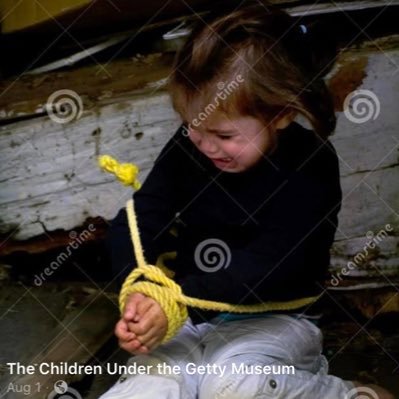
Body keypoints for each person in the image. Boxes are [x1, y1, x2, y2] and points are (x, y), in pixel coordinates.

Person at [100, 2, 394, 398]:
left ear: (282, 115)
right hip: (188, 313)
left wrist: (178, 300)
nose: (204, 144)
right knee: (148, 386)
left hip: (273, 317)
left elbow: (272, 264)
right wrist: (140, 290)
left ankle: (345, 393)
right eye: (192, 126)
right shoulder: (193, 144)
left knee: (233, 384)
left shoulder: (310, 165)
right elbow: (140, 215)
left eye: (224, 136)